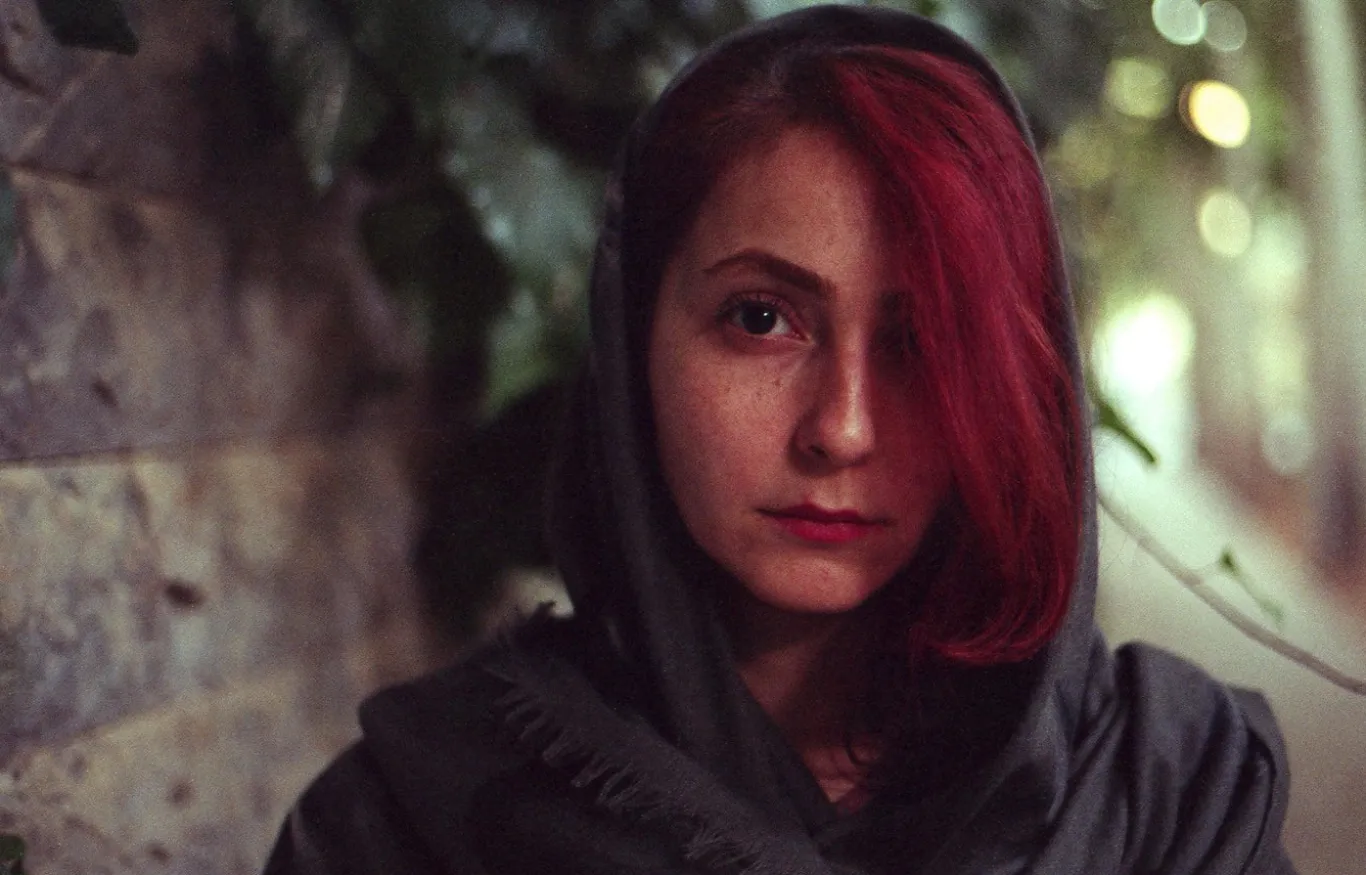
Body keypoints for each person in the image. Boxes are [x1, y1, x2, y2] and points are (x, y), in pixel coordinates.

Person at [263, 6, 1296, 874]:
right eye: (760, 318)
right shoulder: (409, 820)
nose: (841, 428)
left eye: (922, 340)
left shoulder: (1170, 796)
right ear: (633, 337)